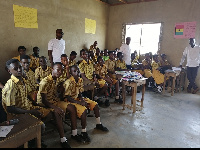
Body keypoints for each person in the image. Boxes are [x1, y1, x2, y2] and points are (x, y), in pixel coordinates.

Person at [2, 59, 71, 148]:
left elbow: (26, 95)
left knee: (52, 113)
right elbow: (10, 108)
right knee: (41, 126)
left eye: (20, 67)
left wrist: (35, 105)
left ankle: (38, 136)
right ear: (9, 71)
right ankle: (34, 140)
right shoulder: (11, 86)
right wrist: (31, 112)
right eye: (15, 68)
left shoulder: (22, 80)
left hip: (28, 108)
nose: (19, 70)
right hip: (18, 115)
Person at [62, 65, 109, 142]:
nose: (77, 72)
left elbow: (80, 92)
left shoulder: (80, 80)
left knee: (95, 105)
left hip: (78, 98)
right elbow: (67, 97)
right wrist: (79, 102)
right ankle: (83, 132)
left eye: (78, 71)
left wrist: (82, 99)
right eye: (74, 71)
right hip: (70, 101)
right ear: (71, 73)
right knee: (84, 110)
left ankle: (98, 124)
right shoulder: (68, 82)